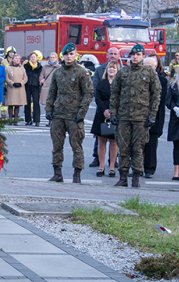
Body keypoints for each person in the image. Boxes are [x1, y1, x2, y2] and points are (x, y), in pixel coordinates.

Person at [108, 43, 161, 188]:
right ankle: (123, 177)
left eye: (138, 55)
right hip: (124, 117)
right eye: (133, 54)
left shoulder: (149, 73)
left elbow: (156, 95)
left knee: (137, 149)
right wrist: (113, 112)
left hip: (141, 118)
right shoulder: (123, 72)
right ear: (129, 56)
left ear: (143, 56)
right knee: (123, 148)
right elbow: (114, 93)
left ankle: (136, 178)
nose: (135, 57)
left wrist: (152, 115)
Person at [44, 43, 94, 183]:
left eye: (71, 54)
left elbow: (88, 93)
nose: (68, 56)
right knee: (57, 146)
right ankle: (57, 173)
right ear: (63, 55)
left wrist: (82, 113)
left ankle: (77, 175)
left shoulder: (81, 72)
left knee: (76, 146)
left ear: (76, 55)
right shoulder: (58, 72)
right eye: (66, 54)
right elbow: (52, 92)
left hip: (74, 115)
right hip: (58, 114)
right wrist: (48, 109)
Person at [91, 47, 121, 168]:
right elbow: (96, 90)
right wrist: (105, 110)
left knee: (114, 140)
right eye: (111, 53)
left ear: (118, 56)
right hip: (102, 111)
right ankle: (97, 158)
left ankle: (114, 162)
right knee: (100, 138)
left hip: (116, 113)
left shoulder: (123, 71)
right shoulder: (99, 70)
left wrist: (113, 111)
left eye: (115, 54)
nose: (113, 55)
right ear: (107, 55)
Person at [142, 54, 170, 178]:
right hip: (138, 116)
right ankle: (137, 167)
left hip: (155, 116)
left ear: (155, 66)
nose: (148, 68)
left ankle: (149, 169)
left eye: (150, 66)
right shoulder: (138, 79)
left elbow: (160, 100)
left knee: (151, 145)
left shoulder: (163, 81)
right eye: (146, 66)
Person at [5, 54, 27, 123]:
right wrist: (12, 83)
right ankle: (10, 119)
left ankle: (16, 120)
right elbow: (6, 78)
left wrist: (21, 83)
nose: (17, 60)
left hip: (20, 88)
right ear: (13, 59)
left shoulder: (22, 68)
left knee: (17, 105)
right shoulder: (8, 68)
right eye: (16, 58)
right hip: (12, 88)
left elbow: (25, 78)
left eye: (18, 58)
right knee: (11, 104)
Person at [23, 51, 42, 126]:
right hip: (27, 85)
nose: (33, 58)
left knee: (36, 103)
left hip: (36, 86)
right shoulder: (26, 66)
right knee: (27, 102)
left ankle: (37, 120)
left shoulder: (40, 67)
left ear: (37, 58)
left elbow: (41, 76)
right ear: (29, 58)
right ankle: (28, 120)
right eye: (31, 57)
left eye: (34, 57)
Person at [39, 52, 59, 120]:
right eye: (51, 57)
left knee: (54, 104)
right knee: (48, 104)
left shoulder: (59, 67)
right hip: (47, 87)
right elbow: (41, 75)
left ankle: (53, 119)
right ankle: (49, 119)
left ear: (56, 58)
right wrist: (42, 80)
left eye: (53, 57)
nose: (52, 59)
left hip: (56, 88)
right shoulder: (45, 66)